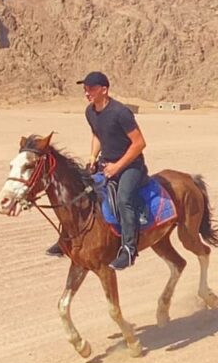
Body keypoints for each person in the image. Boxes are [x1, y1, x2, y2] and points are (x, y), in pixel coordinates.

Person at [46, 71, 147, 271]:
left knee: (123, 199)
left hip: (131, 166)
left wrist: (118, 166)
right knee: (78, 192)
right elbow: (97, 135)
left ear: (104, 90)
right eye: (85, 89)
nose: (87, 93)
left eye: (91, 89)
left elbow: (139, 143)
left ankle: (128, 248)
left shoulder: (121, 112)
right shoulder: (90, 112)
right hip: (105, 163)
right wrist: (93, 157)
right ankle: (65, 238)